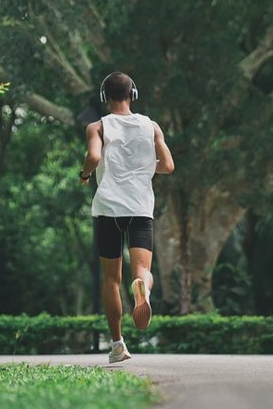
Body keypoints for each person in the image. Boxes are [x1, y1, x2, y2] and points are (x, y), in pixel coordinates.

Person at [79, 72, 174, 364]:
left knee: (111, 279)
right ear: (133, 94)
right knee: (142, 270)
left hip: (109, 208)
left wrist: (84, 175)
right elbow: (168, 166)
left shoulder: (97, 126)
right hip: (140, 207)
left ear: (105, 97)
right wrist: (143, 167)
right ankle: (141, 286)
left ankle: (118, 344)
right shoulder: (151, 126)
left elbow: (94, 158)